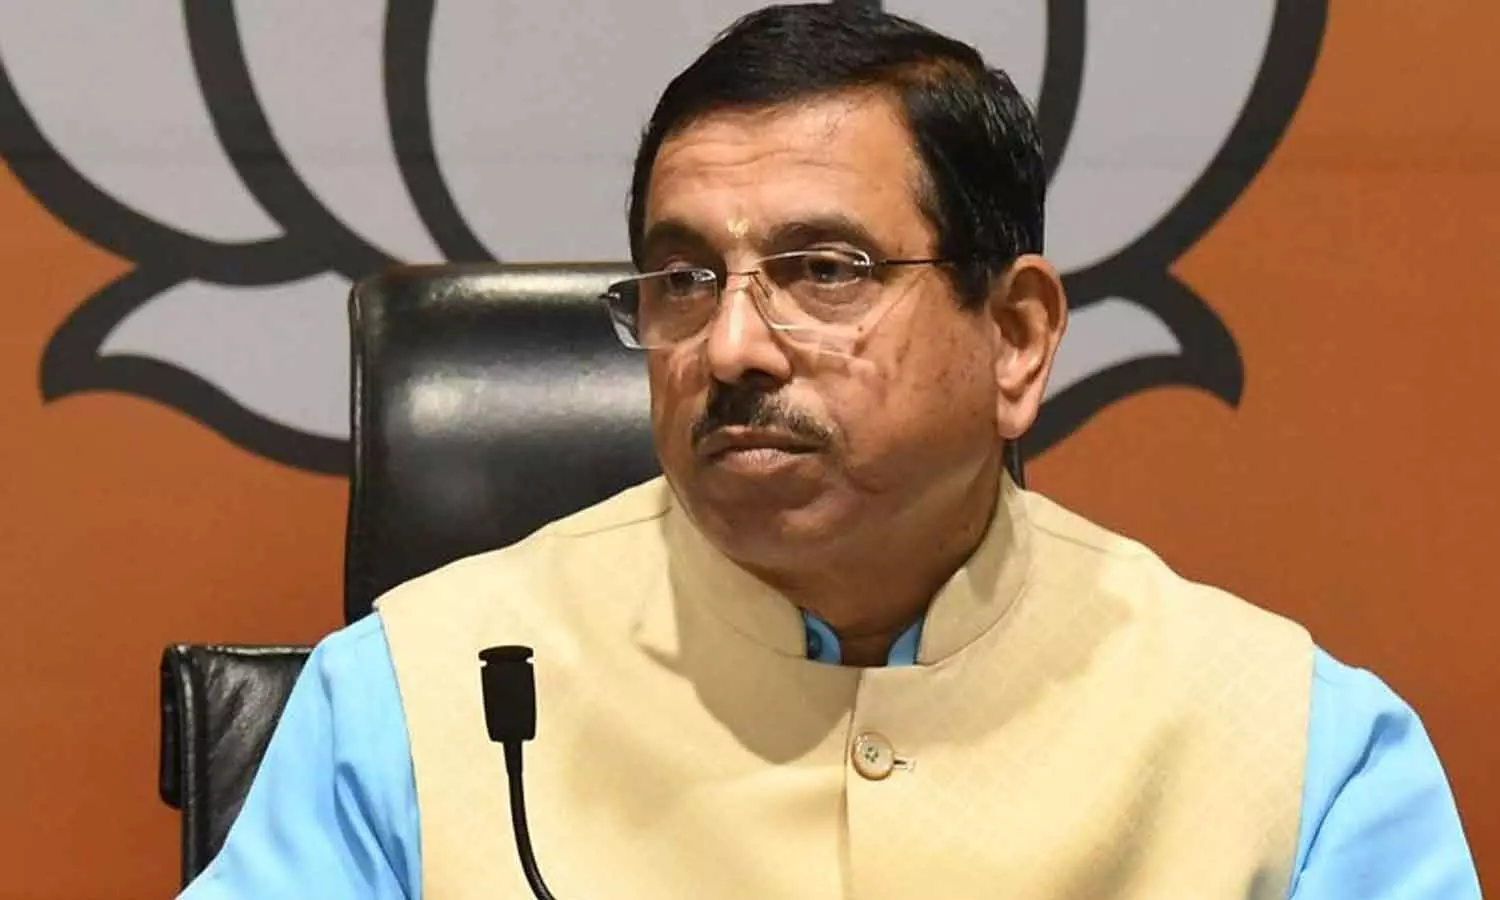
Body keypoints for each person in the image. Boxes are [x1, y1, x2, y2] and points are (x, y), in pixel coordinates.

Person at [179, 4, 1480, 898]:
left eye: (824, 270)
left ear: (1016, 337)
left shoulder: (1297, 749)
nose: (732, 345)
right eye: (684, 279)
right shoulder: (409, 701)